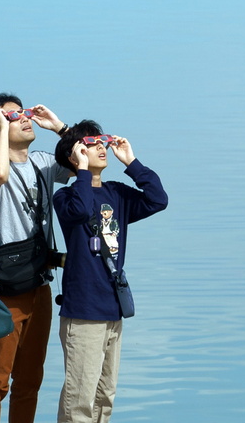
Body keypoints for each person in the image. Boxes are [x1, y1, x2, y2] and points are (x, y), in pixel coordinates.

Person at [52, 120, 168, 423]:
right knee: (79, 401)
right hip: (83, 311)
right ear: (75, 154)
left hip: (113, 310)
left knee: (105, 397)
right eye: (92, 143)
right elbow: (79, 210)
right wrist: (81, 171)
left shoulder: (116, 193)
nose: (101, 146)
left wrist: (131, 161)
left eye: (101, 141)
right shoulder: (65, 197)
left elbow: (158, 199)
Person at [0, 93, 73, 423]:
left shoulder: (44, 163)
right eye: (12, 116)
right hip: (1, 289)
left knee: (30, 381)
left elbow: (80, 160)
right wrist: (4, 131)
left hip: (38, 282)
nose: (24, 118)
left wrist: (59, 127)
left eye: (25, 112)